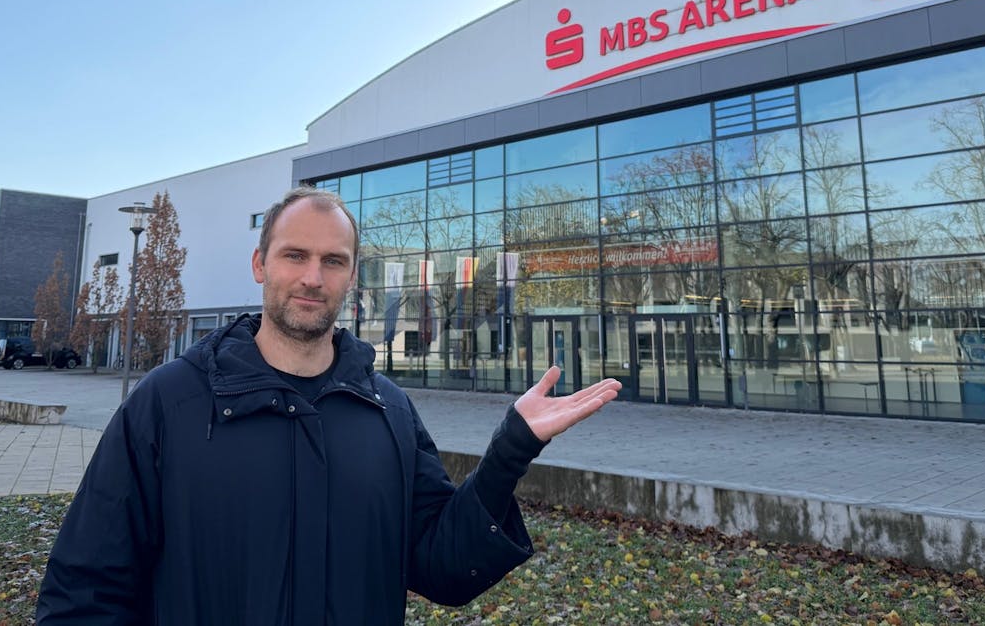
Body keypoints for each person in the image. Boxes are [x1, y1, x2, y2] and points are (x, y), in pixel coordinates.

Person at [36, 186, 621, 625]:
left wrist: (510, 450)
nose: (313, 277)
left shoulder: (388, 410)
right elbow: (87, 586)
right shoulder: (170, 402)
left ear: (350, 278)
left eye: (333, 261)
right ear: (260, 264)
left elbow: (443, 568)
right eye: (295, 255)